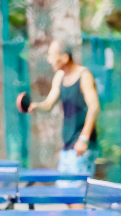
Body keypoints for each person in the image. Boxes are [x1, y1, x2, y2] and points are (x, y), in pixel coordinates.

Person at [25, 40, 100, 182]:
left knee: (76, 194)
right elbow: (48, 104)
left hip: (82, 143)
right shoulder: (59, 76)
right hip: (68, 142)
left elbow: (94, 107)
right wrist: (36, 106)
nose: (49, 60)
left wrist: (83, 139)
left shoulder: (84, 76)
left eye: (52, 56)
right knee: (65, 192)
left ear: (65, 58)